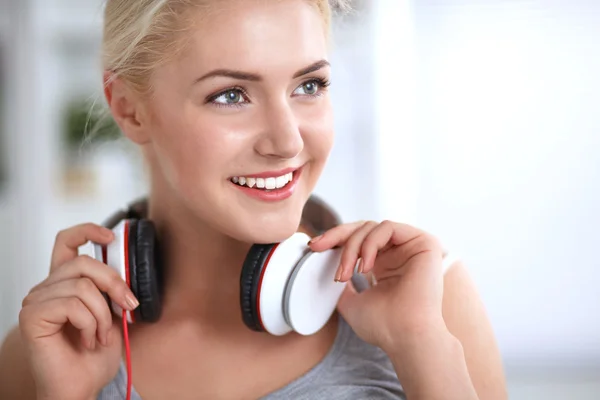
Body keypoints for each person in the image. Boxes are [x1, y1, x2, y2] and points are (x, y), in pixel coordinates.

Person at [0, 0, 507, 399]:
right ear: (130, 110)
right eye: (231, 95)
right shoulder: (47, 345)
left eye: (309, 85)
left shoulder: (428, 302)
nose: (287, 141)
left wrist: (421, 347)